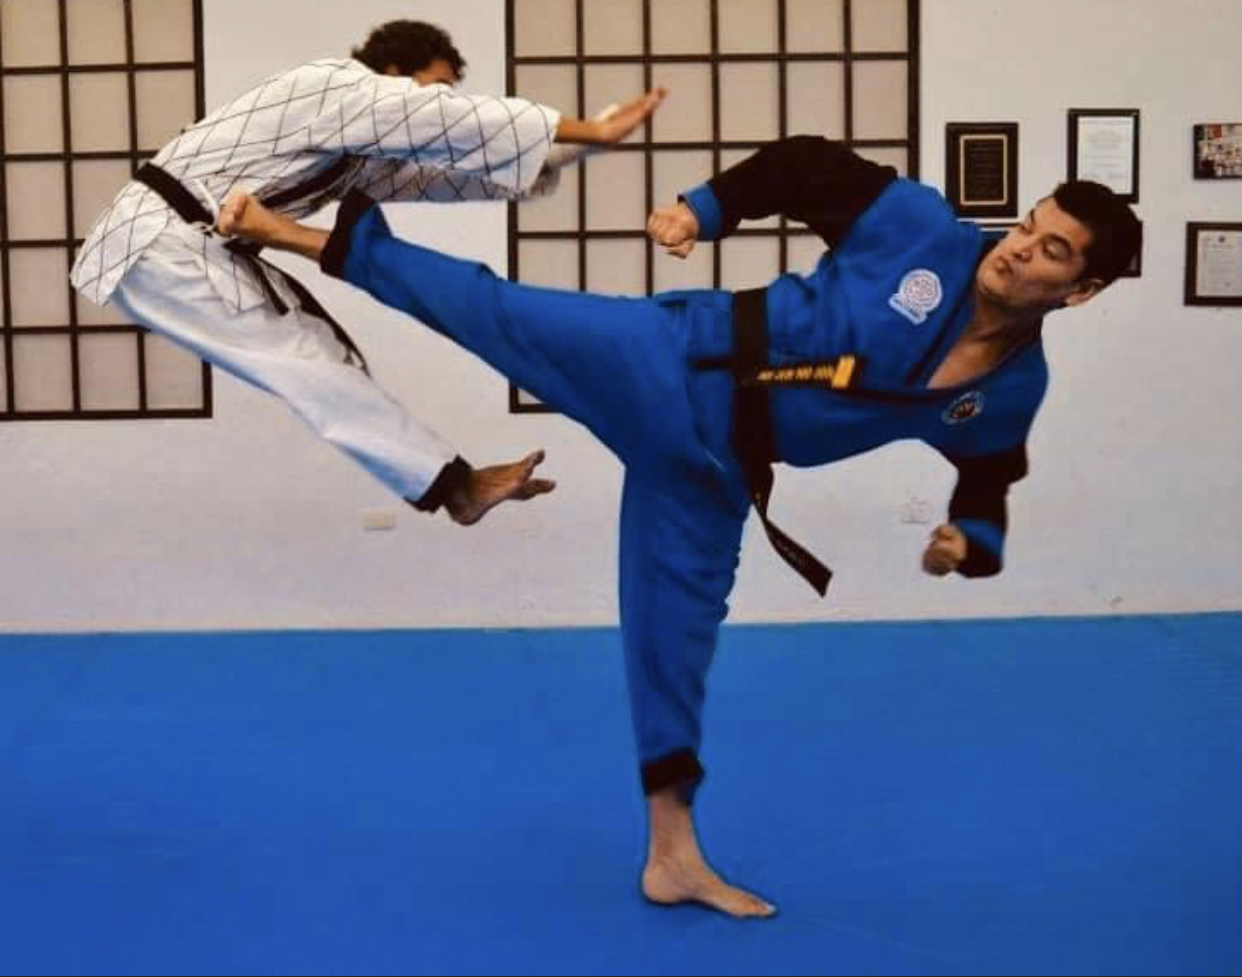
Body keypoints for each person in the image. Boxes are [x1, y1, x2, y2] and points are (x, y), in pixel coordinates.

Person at [213, 135, 1142, 918]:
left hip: (713, 471)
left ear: (1082, 290)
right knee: (494, 309)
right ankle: (280, 230)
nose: (1019, 248)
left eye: (1052, 250)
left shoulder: (1010, 389)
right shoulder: (924, 232)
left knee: (674, 645)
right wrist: (702, 210)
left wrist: (965, 546)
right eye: (1029, 224)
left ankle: (673, 859)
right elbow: (801, 165)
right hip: (670, 357)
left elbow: (988, 486)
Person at [71, 20, 665, 524]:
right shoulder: (334, 85)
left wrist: (578, 147)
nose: (440, 103)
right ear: (395, 70)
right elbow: (439, 120)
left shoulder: (355, 153)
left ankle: (450, 483)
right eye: (435, 87)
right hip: (160, 239)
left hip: (172, 249)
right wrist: (589, 126)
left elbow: (448, 176)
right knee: (306, 361)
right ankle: (456, 488)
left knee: (325, 356)